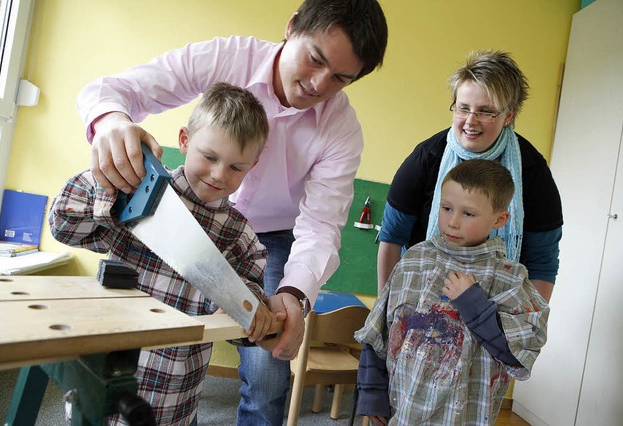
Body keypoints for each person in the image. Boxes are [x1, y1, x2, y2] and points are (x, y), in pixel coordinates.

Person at [75, 1, 388, 423]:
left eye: (339, 79)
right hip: (187, 213)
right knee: (136, 329)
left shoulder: (342, 129)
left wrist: (294, 295)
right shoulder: (226, 57)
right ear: (292, 26)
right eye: (315, 59)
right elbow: (110, 91)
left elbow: (320, 225)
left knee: (268, 371)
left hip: (270, 238)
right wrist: (111, 122)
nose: (318, 83)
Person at [49, 82, 277, 426]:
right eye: (210, 157)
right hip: (105, 371)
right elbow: (64, 226)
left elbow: (241, 315)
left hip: (175, 392)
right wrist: (107, 177)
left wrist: (247, 310)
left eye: (236, 167)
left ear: (253, 165)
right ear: (185, 140)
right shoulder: (138, 187)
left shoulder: (240, 236)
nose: (219, 174)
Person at [355, 159, 550, 425]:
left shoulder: (510, 278)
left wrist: (473, 304)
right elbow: (377, 332)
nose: (452, 222)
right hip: (403, 411)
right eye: (446, 208)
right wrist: (372, 394)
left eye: (468, 214)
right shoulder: (415, 259)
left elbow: (517, 354)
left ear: (500, 219)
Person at [377, 50, 562, 304]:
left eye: (486, 111)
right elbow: (391, 236)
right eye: (463, 108)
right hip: (419, 300)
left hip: (493, 310)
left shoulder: (533, 172)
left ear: (509, 115)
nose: (470, 121)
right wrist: (386, 307)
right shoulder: (427, 157)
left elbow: (543, 262)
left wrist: (523, 329)